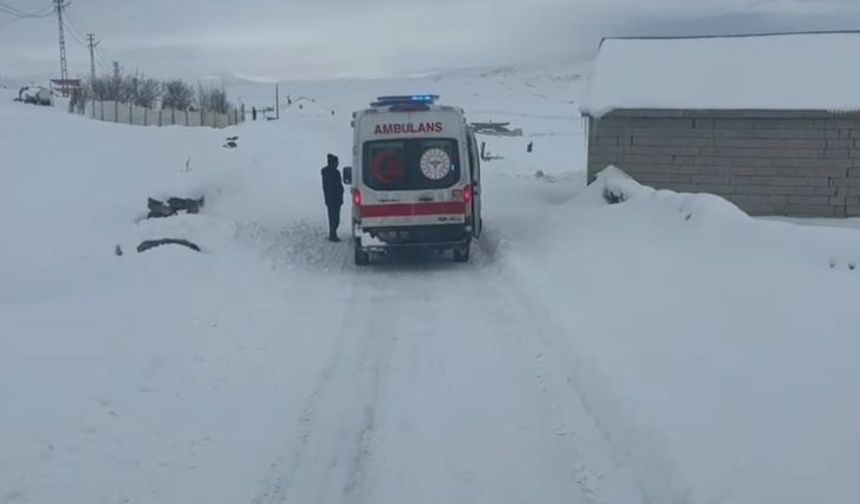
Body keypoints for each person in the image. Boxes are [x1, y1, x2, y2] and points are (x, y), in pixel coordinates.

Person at [321, 153, 344, 242]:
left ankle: (333, 233)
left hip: (332, 199)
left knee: (333, 217)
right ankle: (333, 235)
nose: (337, 164)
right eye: (336, 162)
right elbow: (334, 186)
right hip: (334, 199)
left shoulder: (327, 171)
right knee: (334, 218)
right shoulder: (333, 172)